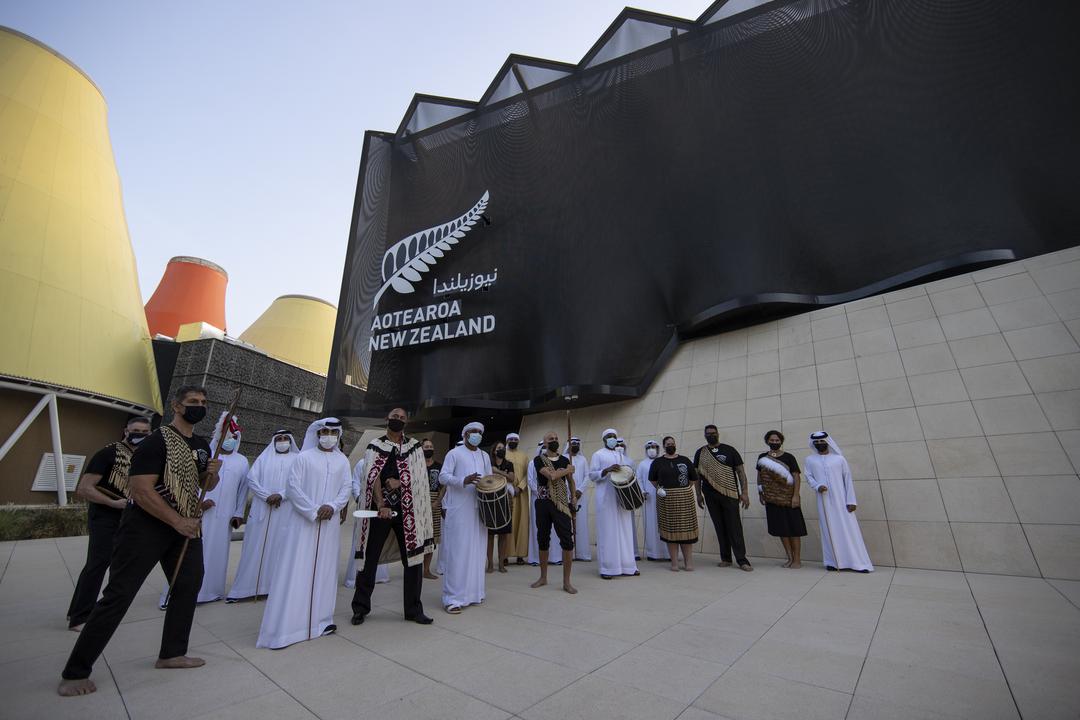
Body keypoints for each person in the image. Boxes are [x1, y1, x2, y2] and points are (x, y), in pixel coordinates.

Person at [58, 386, 221, 697]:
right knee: (119, 595)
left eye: (204, 402)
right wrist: (177, 521)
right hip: (147, 528)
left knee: (188, 586)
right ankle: (75, 672)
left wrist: (213, 473)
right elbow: (141, 489)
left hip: (185, 528)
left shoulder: (201, 445)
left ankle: (172, 653)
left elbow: (205, 486)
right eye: (193, 402)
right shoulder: (156, 441)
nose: (199, 407)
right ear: (177, 406)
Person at [256, 418, 352, 648]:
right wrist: (313, 510)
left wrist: (333, 506)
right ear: (318, 434)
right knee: (298, 570)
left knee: (325, 572)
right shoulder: (303, 458)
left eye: (333, 432)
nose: (329, 436)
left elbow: (346, 488)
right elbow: (293, 488)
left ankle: (321, 621)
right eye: (325, 431)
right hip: (304, 525)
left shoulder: (342, 461)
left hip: (329, 526)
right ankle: (287, 630)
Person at [66, 417, 151, 631]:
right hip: (105, 517)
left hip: (129, 519)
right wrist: (113, 503)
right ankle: (79, 616)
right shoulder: (108, 453)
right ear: (126, 431)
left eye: (144, 431)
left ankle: (92, 610)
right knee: (97, 564)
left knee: (120, 567)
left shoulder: (144, 457)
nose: (139, 434)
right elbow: (85, 488)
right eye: (135, 430)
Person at [351, 408, 434, 625]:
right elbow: (372, 476)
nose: (397, 420)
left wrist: (400, 482)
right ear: (387, 419)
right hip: (382, 511)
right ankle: (360, 608)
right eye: (394, 417)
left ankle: (414, 610)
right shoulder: (375, 446)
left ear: (407, 422)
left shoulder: (414, 447)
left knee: (414, 560)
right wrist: (381, 504)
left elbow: (419, 479)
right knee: (369, 558)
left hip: (408, 513)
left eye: (402, 418)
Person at [179, 414, 247, 605]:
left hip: (224, 515)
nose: (230, 441)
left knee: (217, 552)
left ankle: (212, 591)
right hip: (201, 512)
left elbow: (243, 490)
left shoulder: (241, 461)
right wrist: (203, 499)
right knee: (194, 552)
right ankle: (184, 591)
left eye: (233, 438)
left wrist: (238, 514)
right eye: (226, 437)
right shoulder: (205, 456)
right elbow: (191, 480)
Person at [227, 430, 298, 601]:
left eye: (285, 439)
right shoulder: (264, 458)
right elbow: (252, 479)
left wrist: (281, 495)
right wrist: (267, 496)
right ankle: (244, 590)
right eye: (279, 439)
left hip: (285, 511)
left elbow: (298, 483)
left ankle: (273, 588)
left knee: (280, 550)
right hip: (262, 510)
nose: (282, 441)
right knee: (254, 549)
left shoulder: (298, 460)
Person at [439, 421, 491, 613]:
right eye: (473, 432)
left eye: (479, 432)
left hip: (480, 509)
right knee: (458, 553)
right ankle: (452, 598)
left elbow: (489, 479)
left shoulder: (485, 456)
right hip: (459, 509)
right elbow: (443, 477)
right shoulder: (454, 454)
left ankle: (474, 593)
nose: (476, 434)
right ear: (465, 434)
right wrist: (463, 480)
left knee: (477, 551)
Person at [804, 432, 873, 573]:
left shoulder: (839, 459)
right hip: (823, 500)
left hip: (842, 501)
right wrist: (817, 486)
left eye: (821, 441)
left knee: (849, 530)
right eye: (816, 443)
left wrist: (851, 501)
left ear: (827, 442)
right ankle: (833, 562)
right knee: (828, 530)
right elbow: (808, 476)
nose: (819, 444)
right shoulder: (810, 460)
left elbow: (847, 480)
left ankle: (858, 563)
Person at [693, 425, 753, 571]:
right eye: (708, 434)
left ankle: (742, 560)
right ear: (705, 435)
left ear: (718, 434)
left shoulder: (730, 450)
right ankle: (725, 558)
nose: (711, 435)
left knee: (734, 527)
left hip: (730, 493)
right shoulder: (700, 452)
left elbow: (741, 472)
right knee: (720, 526)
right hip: (710, 495)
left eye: (713, 433)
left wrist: (744, 493)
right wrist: (699, 494)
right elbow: (697, 476)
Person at [529, 430, 577, 593]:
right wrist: (567, 470)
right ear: (545, 443)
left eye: (556, 438)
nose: (554, 440)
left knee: (567, 540)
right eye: (551, 439)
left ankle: (566, 581)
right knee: (543, 538)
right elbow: (551, 476)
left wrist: (574, 499)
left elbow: (571, 482)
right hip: (543, 503)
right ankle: (543, 577)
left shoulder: (564, 459)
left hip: (561, 504)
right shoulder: (538, 460)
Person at [589, 428, 639, 579]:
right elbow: (592, 474)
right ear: (604, 439)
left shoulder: (620, 455)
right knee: (608, 532)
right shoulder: (598, 454)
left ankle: (628, 566)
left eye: (614, 436)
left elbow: (627, 472)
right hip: (606, 498)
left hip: (622, 497)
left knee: (625, 531)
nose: (612, 438)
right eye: (609, 436)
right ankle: (608, 568)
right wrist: (606, 470)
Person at [649, 437, 702, 571]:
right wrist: (663, 490)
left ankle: (688, 563)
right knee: (671, 532)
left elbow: (692, 479)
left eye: (672, 444)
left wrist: (681, 491)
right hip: (666, 499)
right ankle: (674, 563)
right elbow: (653, 480)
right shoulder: (658, 462)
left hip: (684, 498)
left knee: (686, 532)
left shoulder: (684, 460)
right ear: (664, 446)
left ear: (675, 445)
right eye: (668, 444)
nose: (670, 446)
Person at [756, 430, 807, 569]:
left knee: (794, 529)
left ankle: (797, 560)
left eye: (777, 440)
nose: (774, 442)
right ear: (767, 441)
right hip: (771, 499)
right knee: (781, 529)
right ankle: (789, 558)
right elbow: (760, 476)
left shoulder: (789, 457)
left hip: (789, 499)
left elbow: (796, 476)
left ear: (781, 441)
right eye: (772, 440)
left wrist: (796, 495)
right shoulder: (762, 457)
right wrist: (761, 493)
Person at [343, 458, 390, 589]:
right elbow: (355, 482)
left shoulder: (385, 463)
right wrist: (359, 498)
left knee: (378, 540)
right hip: (364, 506)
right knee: (360, 540)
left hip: (381, 507)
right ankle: (354, 577)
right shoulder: (361, 463)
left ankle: (379, 575)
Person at [527, 439, 560, 567]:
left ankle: (555, 557)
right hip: (538, 499)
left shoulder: (555, 462)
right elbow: (531, 481)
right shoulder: (532, 463)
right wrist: (543, 493)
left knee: (554, 528)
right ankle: (536, 558)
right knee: (539, 528)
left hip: (554, 498)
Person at [635, 440, 668, 562]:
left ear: (658, 449)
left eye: (654, 447)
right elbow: (638, 478)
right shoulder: (642, 464)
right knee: (651, 526)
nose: (652, 449)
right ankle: (653, 553)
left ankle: (667, 553)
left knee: (665, 524)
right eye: (649, 447)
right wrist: (642, 491)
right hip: (648, 499)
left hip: (664, 498)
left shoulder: (663, 462)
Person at [487, 440, 516, 573]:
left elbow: (511, 478)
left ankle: (501, 563)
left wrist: (497, 472)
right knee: (490, 534)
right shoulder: (488, 463)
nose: (501, 450)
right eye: (499, 448)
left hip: (505, 498)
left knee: (504, 533)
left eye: (503, 448)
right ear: (494, 451)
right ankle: (490, 564)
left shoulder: (508, 464)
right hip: (491, 499)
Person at [503, 432, 531, 564]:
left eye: (515, 439)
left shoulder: (524, 456)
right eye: (511, 439)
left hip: (521, 493)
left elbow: (528, 474)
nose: (513, 441)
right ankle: (505, 555)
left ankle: (520, 555)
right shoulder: (503, 454)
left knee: (521, 522)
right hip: (506, 493)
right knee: (508, 523)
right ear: (507, 441)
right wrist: (509, 488)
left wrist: (520, 487)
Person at [422, 438, 445, 579]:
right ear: (421, 449)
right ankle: (415, 569)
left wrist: (437, 502)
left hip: (434, 502)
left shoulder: (439, 466)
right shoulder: (416, 465)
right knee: (419, 538)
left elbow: (443, 486)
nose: (428, 448)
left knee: (431, 539)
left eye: (431, 446)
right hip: (418, 503)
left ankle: (426, 570)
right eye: (426, 446)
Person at [566, 437, 592, 561]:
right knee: (567, 525)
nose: (575, 445)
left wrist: (579, 490)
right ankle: (569, 553)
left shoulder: (583, 459)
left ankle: (582, 553)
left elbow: (587, 476)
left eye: (577, 443)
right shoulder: (564, 458)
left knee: (581, 524)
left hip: (580, 496)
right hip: (566, 495)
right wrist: (570, 492)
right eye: (572, 443)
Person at [616, 437, 640, 559]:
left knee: (629, 525)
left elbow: (635, 478)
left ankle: (633, 552)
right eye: (617, 444)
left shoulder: (630, 461)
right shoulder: (611, 460)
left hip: (628, 497)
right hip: (614, 498)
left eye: (622, 444)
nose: (619, 446)